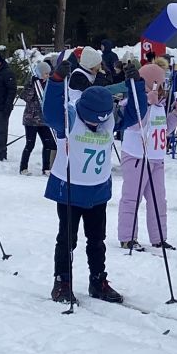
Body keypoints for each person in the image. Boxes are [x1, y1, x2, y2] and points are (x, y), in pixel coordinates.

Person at [43, 79, 121, 305]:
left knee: (97, 239)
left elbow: (136, 113)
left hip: (98, 189)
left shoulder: (108, 119)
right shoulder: (70, 117)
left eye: (100, 119)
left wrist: (136, 85)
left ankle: (98, 280)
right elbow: (49, 112)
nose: (95, 123)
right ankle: (62, 282)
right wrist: (56, 81)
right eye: (91, 118)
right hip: (70, 188)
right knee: (67, 239)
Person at [116, 63, 177, 250]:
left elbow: (163, 129)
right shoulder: (135, 102)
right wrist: (147, 106)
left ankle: (159, 237)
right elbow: (134, 125)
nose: (162, 89)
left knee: (158, 200)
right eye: (159, 84)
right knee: (131, 198)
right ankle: (128, 237)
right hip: (137, 157)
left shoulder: (159, 104)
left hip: (156, 158)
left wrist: (176, 114)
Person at [19, 58, 57, 174]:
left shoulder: (48, 84)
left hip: (43, 120)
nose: (47, 75)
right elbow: (25, 97)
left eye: (48, 73)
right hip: (31, 119)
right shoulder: (32, 83)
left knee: (49, 143)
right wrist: (32, 84)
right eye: (45, 73)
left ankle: (46, 168)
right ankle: (23, 168)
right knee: (30, 144)